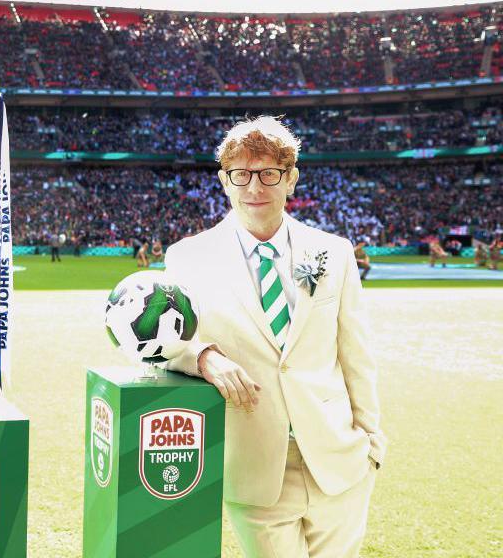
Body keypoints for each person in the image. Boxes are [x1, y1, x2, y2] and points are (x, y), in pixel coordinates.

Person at [163, 116, 385, 558]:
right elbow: (163, 345)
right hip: (254, 467)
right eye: (241, 174)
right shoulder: (187, 257)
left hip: (339, 460)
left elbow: (356, 354)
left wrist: (372, 444)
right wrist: (203, 356)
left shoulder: (333, 252)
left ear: (291, 179)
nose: (254, 187)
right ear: (224, 180)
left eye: (268, 174)